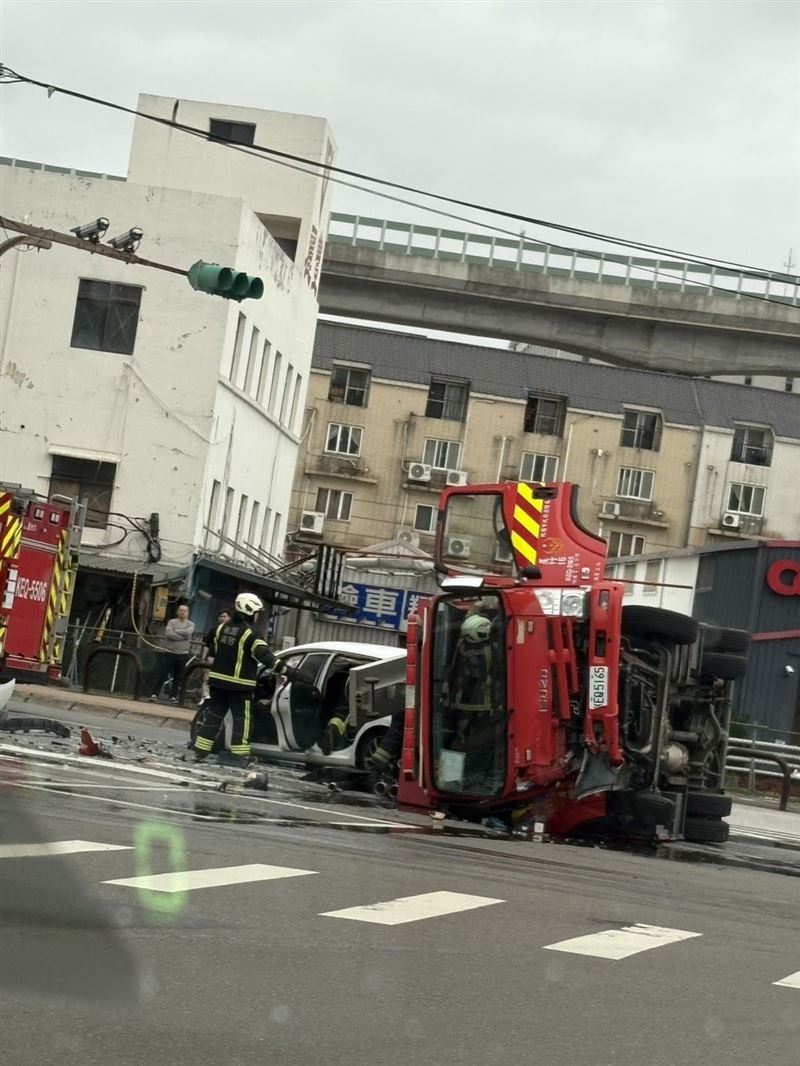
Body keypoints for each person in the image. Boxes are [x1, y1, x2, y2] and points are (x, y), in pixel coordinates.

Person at [192, 593, 276, 765]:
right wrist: (289, 671)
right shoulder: (251, 634)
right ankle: (239, 755)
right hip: (240, 684)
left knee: (214, 716)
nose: (257, 615)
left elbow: (212, 646)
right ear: (250, 611)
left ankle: (200, 750)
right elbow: (265, 656)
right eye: (256, 612)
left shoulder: (221, 628)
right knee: (242, 719)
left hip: (217, 681)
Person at [149, 604, 195, 703]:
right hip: (169, 653)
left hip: (183, 654)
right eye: (181, 610)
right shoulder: (172, 622)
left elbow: (189, 633)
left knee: (178, 677)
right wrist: (182, 636)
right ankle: (154, 694)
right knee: (162, 674)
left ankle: (173, 696)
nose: (183, 612)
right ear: (177, 611)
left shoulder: (191, 624)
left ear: (188, 613)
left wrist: (177, 632)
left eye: (185, 611)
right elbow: (169, 634)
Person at [199, 609, 232, 708]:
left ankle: (217, 700)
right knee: (207, 678)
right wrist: (203, 657)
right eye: (220, 616)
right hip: (212, 657)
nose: (222, 618)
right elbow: (207, 644)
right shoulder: (213, 630)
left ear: (229, 618)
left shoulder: (231, 631)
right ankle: (205, 697)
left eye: (224, 616)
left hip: (225, 660)